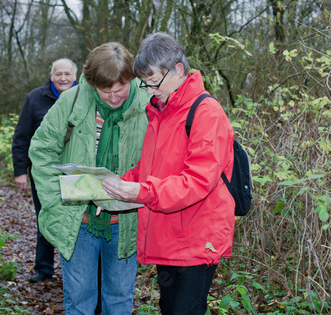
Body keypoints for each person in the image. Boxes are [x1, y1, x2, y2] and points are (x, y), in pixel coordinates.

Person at [102, 32, 236, 315]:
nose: (150, 91)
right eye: (145, 84)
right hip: (168, 238)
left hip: (195, 240)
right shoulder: (161, 111)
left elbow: (198, 181)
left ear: (178, 70)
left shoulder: (206, 112)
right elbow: (148, 170)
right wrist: (113, 186)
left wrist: (142, 192)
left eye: (154, 82)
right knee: (170, 308)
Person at [28, 42, 149, 314]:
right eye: (106, 91)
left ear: (132, 78)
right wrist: (55, 200)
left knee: (119, 300)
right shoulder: (71, 100)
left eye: (121, 89)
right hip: (79, 219)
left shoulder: (147, 102)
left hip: (127, 220)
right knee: (79, 301)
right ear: (91, 83)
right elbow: (41, 151)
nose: (115, 97)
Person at [12, 58, 77, 282]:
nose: (63, 78)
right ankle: (44, 268)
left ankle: (77, 272)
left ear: (75, 76)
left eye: (67, 74)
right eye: (58, 74)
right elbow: (21, 137)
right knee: (46, 217)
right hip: (43, 172)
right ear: (51, 76)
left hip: (75, 171)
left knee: (76, 220)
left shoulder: (86, 98)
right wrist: (20, 171)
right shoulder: (35, 99)